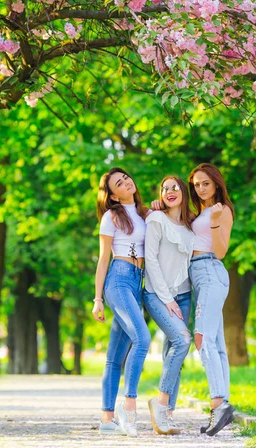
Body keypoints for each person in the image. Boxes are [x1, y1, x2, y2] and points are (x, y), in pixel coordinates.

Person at [92, 167, 151, 437]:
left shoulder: (143, 214)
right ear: (113, 196)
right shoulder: (111, 217)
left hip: (137, 282)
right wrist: (97, 299)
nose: (127, 181)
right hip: (118, 280)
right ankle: (128, 407)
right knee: (142, 339)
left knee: (115, 357)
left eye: (127, 177)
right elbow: (104, 259)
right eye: (119, 182)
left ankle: (107, 418)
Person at [143, 176, 195, 435]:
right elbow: (150, 261)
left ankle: (168, 416)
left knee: (173, 352)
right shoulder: (156, 219)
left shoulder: (190, 225)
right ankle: (160, 404)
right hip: (157, 294)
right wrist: (167, 299)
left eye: (175, 187)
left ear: (184, 192)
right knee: (183, 340)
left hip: (184, 295)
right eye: (164, 188)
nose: (170, 191)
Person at [188, 163, 235, 436]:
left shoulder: (222, 210)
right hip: (200, 276)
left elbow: (220, 251)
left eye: (205, 183)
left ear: (216, 183)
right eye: (196, 184)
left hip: (210, 271)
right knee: (216, 345)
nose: (201, 188)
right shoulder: (202, 212)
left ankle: (218, 402)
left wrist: (216, 221)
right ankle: (222, 405)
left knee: (202, 338)